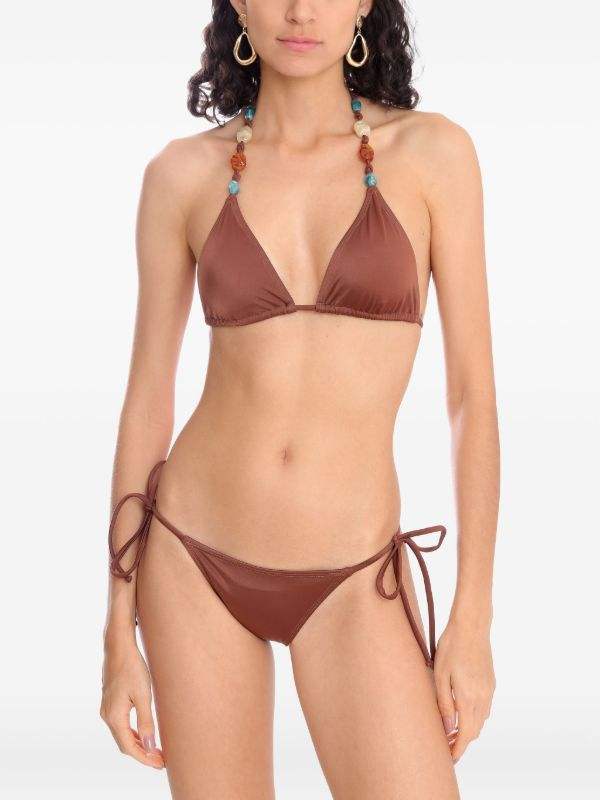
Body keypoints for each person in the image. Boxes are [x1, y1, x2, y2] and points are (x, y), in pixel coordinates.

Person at [100, 1, 499, 797]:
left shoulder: (433, 156)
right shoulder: (181, 175)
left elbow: (470, 398)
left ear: (364, 4)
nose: (301, 10)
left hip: (353, 575)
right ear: (240, 5)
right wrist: (118, 632)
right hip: (193, 556)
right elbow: (147, 401)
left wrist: (472, 622)